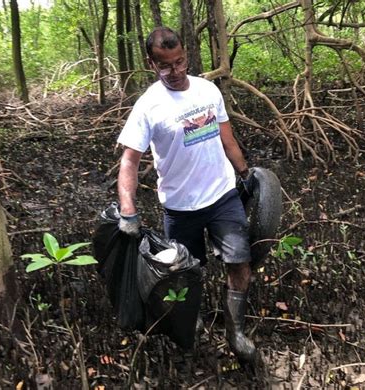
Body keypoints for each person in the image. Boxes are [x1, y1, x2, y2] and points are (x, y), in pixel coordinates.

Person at [116, 26, 256, 363]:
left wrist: (245, 173)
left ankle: (234, 329)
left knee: (240, 261)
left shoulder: (208, 91)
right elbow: (129, 161)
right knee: (185, 273)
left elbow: (227, 138)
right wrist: (128, 210)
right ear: (152, 64)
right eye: (166, 66)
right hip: (180, 208)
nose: (176, 72)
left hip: (222, 196)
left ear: (186, 55)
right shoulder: (148, 106)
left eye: (180, 62)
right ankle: (190, 325)